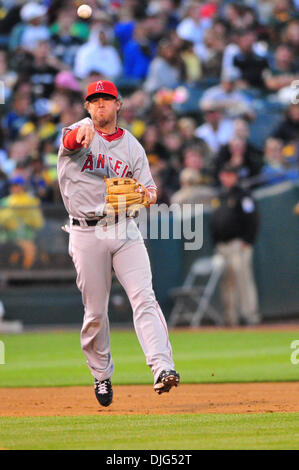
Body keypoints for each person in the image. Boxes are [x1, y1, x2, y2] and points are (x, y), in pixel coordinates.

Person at [57, 80, 180, 407]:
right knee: (96, 312)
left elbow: (152, 191)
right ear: (87, 106)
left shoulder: (132, 147)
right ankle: (100, 375)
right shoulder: (79, 130)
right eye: (94, 101)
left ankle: (162, 366)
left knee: (144, 296)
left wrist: (146, 196)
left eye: (106, 100)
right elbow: (70, 139)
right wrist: (77, 135)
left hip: (124, 227)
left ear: (118, 105)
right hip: (85, 232)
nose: (100, 105)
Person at [210, 164, 260, 326]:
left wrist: (247, 241)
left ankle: (250, 315)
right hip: (223, 246)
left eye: (230, 174)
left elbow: (252, 219)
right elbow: (214, 221)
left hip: (239, 244)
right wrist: (216, 243)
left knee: (243, 279)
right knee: (227, 282)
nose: (226, 177)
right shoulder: (220, 196)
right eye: (224, 174)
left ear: (235, 176)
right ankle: (231, 318)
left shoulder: (243, 195)